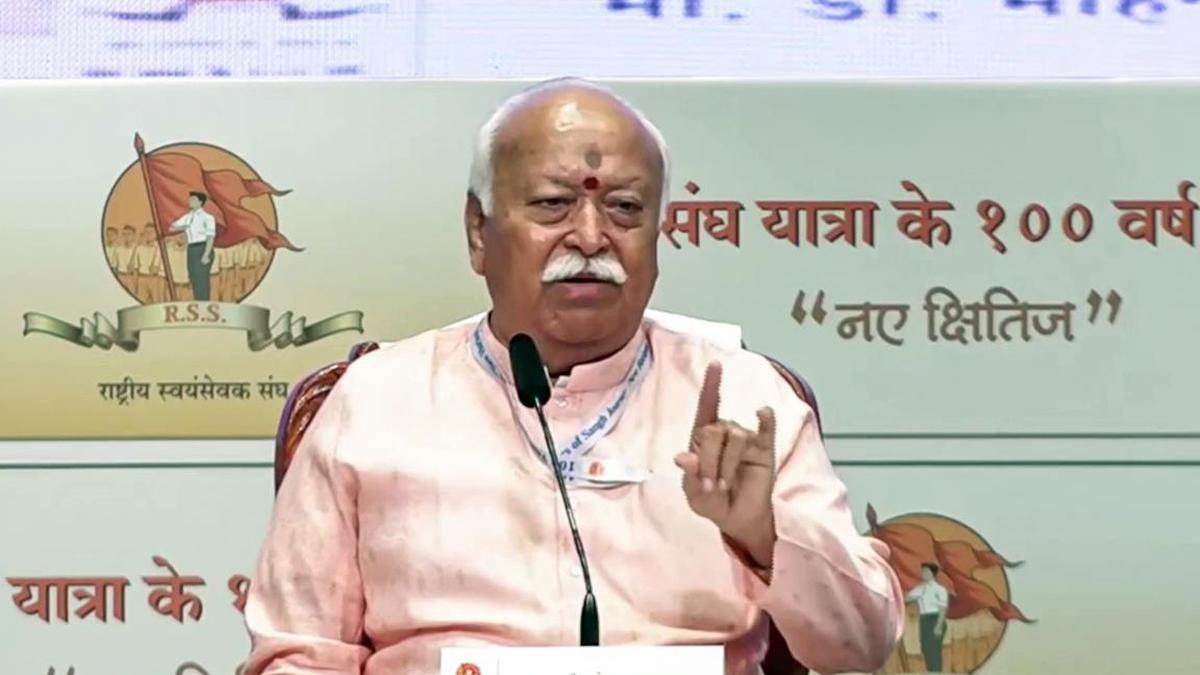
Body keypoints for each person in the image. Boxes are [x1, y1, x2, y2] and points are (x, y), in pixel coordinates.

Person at [242, 78, 904, 675]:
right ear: (478, 231)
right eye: (554, 204)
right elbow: (300, 656)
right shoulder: (375, 400)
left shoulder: (743, 396)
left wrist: (765, 536)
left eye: (625, 209)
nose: (591, 236)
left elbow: (862, 645)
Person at [168, 191, 217, 301]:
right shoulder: (188, 217)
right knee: (193, 277)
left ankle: (204, 302)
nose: (190, 201)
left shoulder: (207, 217)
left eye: (193, 199)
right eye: (190, 199)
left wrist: (206, 254)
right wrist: (185, 226)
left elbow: (210, 237)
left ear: (200, 202)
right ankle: (198, 301)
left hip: (203, 248)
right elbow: (171, 228)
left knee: (201, 278)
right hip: (192, 249)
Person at [905, 562, 949, 672]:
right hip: (924, 620)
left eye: (925, 571)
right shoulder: (920, 588)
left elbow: (942, 609)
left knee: (934, 649)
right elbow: (907, 598)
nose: (923, 573)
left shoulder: (940, 589)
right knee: (925, 648)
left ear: (932, 573)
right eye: (922, 571)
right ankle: (930, 671)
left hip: (935, 619)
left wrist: (939, 626)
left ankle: (936, 672)